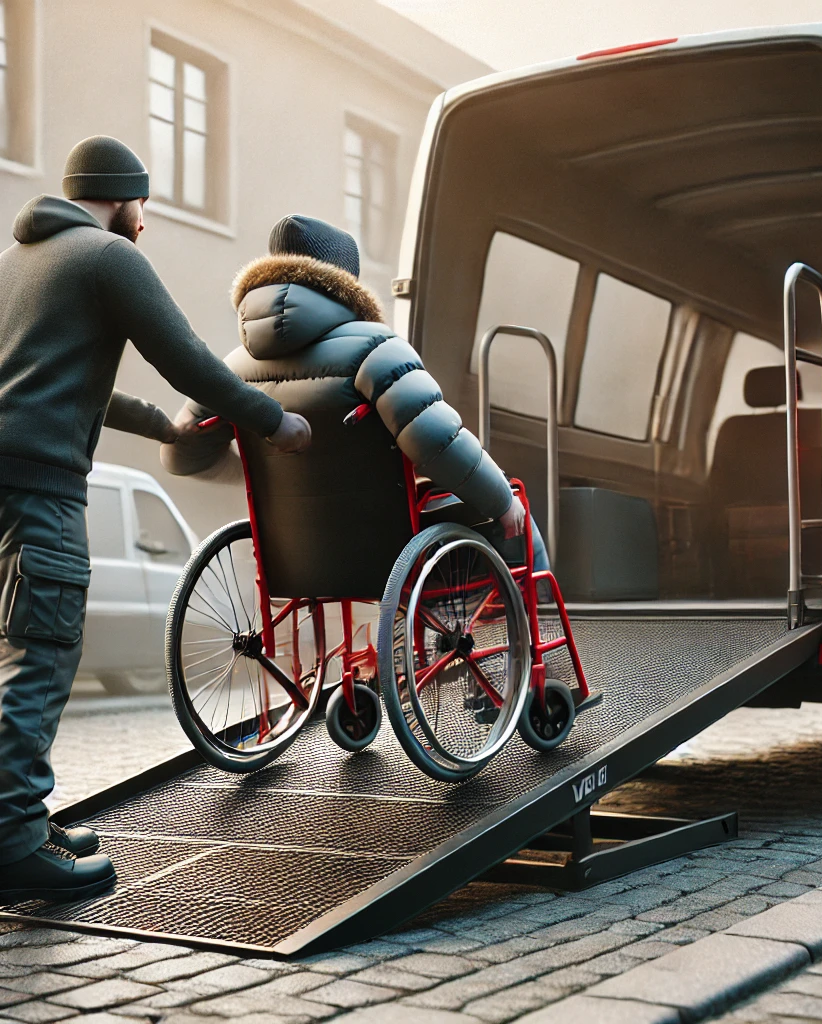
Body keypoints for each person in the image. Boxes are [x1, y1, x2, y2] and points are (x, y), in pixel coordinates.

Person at [0, 137, 311, 903]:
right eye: (144, 207)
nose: (146, 224)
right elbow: (188, 357)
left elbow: (59, 385)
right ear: (124, 196)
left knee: (10, 649)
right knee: (41, 650)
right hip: (40, 489)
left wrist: (163, 429)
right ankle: (10, 846)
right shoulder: (108, 258)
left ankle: (19, 821)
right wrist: (271, 421)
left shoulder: (17, 267)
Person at [161, 214, 541, 554]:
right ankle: (540, 619)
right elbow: (437, 441)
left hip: (295, 553)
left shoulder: (231, 369)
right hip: (383, 547)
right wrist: (501, 503)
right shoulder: (377, 349)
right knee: (512, 503)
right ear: (344, 282)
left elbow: (181, 453)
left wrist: (264, 477)